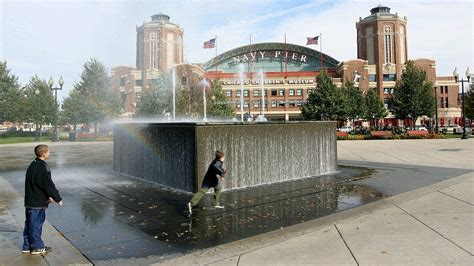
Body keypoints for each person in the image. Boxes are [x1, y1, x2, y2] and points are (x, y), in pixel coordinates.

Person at [23, 144, 63, 255]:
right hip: (37, 203)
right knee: (35, 224)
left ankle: (27, 246)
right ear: (44, 153)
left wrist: (47, 197)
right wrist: (57, 198)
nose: (49, 153)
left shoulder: (33, 164)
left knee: (29, 224)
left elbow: (36, 184)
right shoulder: (42, 166)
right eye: (48, 151)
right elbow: (47, 184)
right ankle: (37, 247)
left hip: (30, 201)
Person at [188, 150, 226, 215]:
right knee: (218, 188)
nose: (224, 158)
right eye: (223, 157)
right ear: (221, 157)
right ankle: (216, 203)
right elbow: (216, 167)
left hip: (208, 179)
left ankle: (191, 203)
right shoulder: (218, 163)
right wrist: (222, 174)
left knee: (203, 191)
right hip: (211, 180)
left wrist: (222, 172)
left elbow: (216, 168)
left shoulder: (216, 161)